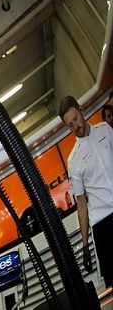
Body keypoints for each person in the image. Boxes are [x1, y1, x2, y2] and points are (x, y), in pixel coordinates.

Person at [61, 95, 113, 287]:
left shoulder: (105, 130)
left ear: (81, 111)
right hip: (103, 224)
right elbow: (81, 204)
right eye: (69, 125)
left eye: (75, 119)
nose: (75, 126)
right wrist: (85, 245)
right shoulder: (73, 160)